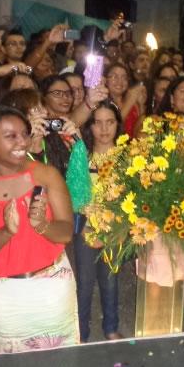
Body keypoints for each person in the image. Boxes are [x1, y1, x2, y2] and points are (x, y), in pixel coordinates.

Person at [0, 105, 79, 352]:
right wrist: (6, 232)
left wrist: (42, 225)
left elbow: (66, 232)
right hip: (4, 295)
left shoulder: (46, 175)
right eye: (10, 136)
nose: (22, 141)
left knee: (61, 362)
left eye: (24, 133)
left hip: (52, 286)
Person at [76, 100, 124, 342]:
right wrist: (87, 224)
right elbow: (74, 194)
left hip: (115, 228)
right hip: (86, 226)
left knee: (110, 280)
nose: (104, 129)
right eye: (98, 123)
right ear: (89, 126)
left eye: (110, 122)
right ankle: (81, 333)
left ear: (118, 124)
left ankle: (111, 327)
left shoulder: (126, 157)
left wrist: (120, 226)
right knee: (84, 283)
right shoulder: (82, 155)